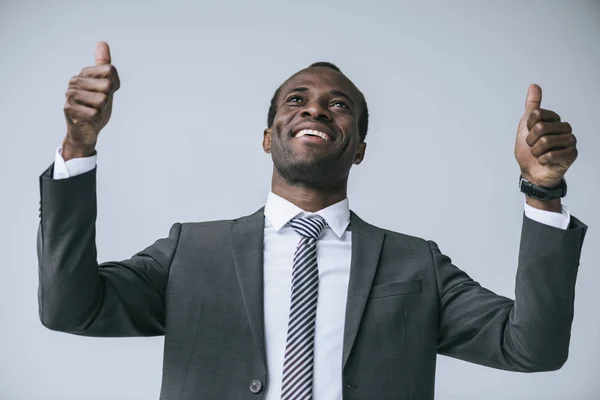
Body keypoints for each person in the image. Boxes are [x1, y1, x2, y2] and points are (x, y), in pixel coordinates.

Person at [37, 41, 587, 400]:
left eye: (339, 105)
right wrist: (77, 146)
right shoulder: (191, 252)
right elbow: (71, 308)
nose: (317, 109)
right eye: (296, 100)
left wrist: (542, 191)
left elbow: (531, 347)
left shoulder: (416, 264)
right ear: (266, 137)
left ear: (360, 149)